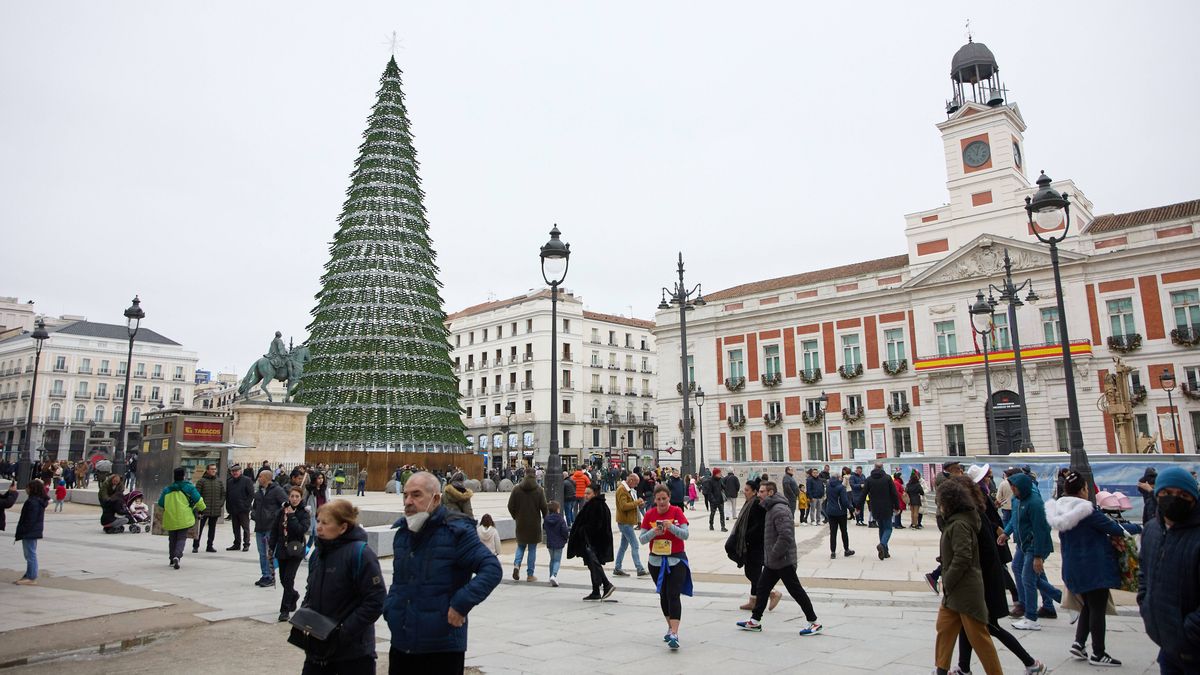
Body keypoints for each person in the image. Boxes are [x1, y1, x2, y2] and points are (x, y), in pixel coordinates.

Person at [384, 472, 500, 673]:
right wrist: (391, 608)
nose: (408, 501)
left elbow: (491, 569)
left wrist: (460, 604)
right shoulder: (402, 534)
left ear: (436, 498)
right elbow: (399, 581)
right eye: (406, 495)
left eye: (416, 495)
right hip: (402, 642)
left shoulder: (456, 532)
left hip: (441, 646)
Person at [1045, 470, 1141, 667]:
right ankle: (1099, 652)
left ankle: (1079, 643)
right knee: (1097, 607)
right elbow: (1116, 529)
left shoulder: (1059, 509)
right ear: (1082, 490)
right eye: (1087, 488)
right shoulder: (1086, 511)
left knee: (1088, 605)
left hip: (1073, 565)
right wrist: (1140, 527)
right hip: (1093, 566)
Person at [953, 475, 1046, 675]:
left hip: (984, 582)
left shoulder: (971, 516)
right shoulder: (975, 511)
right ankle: (964, 667)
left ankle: (1031, 663)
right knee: (966, 624)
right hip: (984, 578)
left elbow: (974, 553)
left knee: (989, 626)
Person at [297, 500, 385, 674]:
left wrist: (343, 632)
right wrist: (306, 615)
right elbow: (311, 589)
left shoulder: (361, 554)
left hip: (352, 654)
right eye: (318, 521)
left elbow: (376, 600)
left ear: (343, 527)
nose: (319, 527)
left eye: (325, 523)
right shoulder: (318, 554)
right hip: (318, 648)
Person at [933, 476, 1002, 675]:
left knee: (979, 637)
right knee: (944, 629)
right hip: (954, 590)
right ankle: (941, 669)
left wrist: (948, 578)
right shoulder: (955, 521)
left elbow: (963, 556)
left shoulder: (960, 524)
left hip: (965, 589)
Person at [736, 481, 822, 636]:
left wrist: (774, 553)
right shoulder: (770, 508)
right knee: (762, 588)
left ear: (770, 493)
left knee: (796, 590)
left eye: (762, 491)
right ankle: (755, 621)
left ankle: (814, 622)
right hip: (774, 560)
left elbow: (785, 536)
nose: (759, 494)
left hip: (783, 559)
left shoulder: (779, 510)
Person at [1137, 466, 1200, 674]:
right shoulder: (1152, 530)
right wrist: (1145, 604)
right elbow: (1144, 572)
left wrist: (1185, 634)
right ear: (1158, 495)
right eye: (1167, 493)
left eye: (1182, 494)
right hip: (1167, 647)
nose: (1174, 499)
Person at [1005, 469, 1060, 631]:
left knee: (1028, 578)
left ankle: (1031, 616)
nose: (1012, 490)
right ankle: (1063, 600)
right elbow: (1015, 519)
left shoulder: (1034, 502)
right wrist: (1007, 533)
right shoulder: (1018, 499)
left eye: (1014, 487)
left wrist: (1037, 555)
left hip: (1033, 546)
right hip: (1024, 544)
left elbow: (1041, 529)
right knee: (1027, 574)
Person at [639, 484, 692, 650]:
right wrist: (654, 532)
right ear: (654, 499)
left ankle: (675, 633)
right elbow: (642, 539)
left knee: (673, 594)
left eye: (664, 498)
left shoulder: (677, 512)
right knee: (663, 594)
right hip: (656, 561)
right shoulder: (649, 514)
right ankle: (670, 627)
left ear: (669, 498)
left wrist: (671, 527)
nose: (661, 502)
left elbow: (685, 534)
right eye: (658, 499)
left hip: (676, 560)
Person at [726, 482, 780, 611]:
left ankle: (773, 593)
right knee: (753, 572)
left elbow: (759, 526)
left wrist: (747, 537)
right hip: (751, 543)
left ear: (754, 491)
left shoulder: (756, 504)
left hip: (755, 544)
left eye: (747, 490)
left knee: (752, 572)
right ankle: (753, 600)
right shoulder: (750, 502)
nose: (744, 492)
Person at [568, 485, 615, 601]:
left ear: (595, 494)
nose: (585, 495)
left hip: (592, 541)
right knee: (593, 565)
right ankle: (596, 591)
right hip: (595, 541)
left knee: (594, 564)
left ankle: (606, 584)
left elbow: (595, 525)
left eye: (588, 493)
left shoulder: (595, 505)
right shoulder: (598, 504)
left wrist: (582, 530)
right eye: (585, 493)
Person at [157, 467, 206, 570]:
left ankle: (171, 559)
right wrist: (202, 509)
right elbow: (198, 500)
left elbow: (161, 503)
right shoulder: (189, 487)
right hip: (184, 518)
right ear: (184, 476)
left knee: (172, 539)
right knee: (181, 538)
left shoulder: (167, 489)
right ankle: (177, 556)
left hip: (170, 517)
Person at [275, 486, 311, 622]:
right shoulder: (282, 511)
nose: (294, 499)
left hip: (296, 551)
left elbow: (300, 530)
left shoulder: (304, 513)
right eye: (292, 496)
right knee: (283, 579)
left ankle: (284, 610)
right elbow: (275, 530)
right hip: (282, 549)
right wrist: (271, 547)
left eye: (297, 496)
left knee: (289, 579)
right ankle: (294, 595)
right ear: (288, 497)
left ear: (301, 498)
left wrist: (292, 516)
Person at [507, 471, 547, 582]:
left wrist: (516, 516)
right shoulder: (539, 490)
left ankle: (516, 565)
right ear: (535, 475)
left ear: (525, 475)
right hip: (534, 523)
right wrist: (545, 520)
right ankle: (530, 575)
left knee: (520, 546)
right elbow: (544, 507)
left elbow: (510, 505)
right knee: (532, 549)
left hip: (521, 522)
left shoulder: (516, 489)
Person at [251, 468, 289, 587]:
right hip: (259, 527)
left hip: (270, 527)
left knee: (269, 553)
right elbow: (255, 506)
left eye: (260, 477)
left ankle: (270, 576)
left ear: (267, 478)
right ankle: (265, 574)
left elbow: (285, 505)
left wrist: (277, 518)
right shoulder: (258, 492)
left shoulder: (277, 490)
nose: (258, 479)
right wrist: (254, 514)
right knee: (262, 553)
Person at [13, 479, 48, 585]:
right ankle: (29, 574)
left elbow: (30, 519)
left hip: (30, 531)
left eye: (27, 487)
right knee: (29, 553)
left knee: (30, 554)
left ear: (32, 489)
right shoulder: (37, 500)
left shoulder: (33, 502)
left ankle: (31, 576)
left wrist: (23, 530)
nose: (26, 489)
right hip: (32, 531)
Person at [614, 473, 647, 577]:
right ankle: (639, 568)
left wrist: (639, 504)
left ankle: (617, 567)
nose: (637, 485)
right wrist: (637, 502)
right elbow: (624, 506)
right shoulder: (622, 490)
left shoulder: (628, 489)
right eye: (636, 483)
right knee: (635, 545)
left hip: (627, 522)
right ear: (631, 480)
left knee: (623, 546)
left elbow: (631, 504)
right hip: (625, 522)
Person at [865, 462, 900, 559]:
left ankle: (885, 551)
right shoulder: (888, 478)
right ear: (882, 468)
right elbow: (894, 493)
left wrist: (858, 506)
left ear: (874, 468)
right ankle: (882, 544)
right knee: (888, 528)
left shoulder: (869, 479)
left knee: (881, 528)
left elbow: (864, 493)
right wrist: (897, 506)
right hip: (887, 507)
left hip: (875, 507)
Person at [192, 463, 225, 553]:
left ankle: (210, 546)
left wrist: (220, 504)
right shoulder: (201, 481)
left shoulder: (219, 482)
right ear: (207, 470)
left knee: (212, 529)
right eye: (211, 469)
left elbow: (223, 494)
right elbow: (197, 495)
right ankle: (195, 546)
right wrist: (199, 507)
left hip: (215, 509)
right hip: (203, 510)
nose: (213, 470)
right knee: (199, 528)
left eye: (215, 469)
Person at [824, 470, 855, 559]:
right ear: (838, 477)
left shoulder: (828, 486)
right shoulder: (841, 487)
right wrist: (851, 508)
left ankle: (833, 552)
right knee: (844, 531)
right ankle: (846, 550)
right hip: (841, 512)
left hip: (830, 511)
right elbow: (844, 501)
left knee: (833, 532)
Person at [225, 464, 254, 552]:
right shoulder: (229, 481)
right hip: (233, 508)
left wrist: (246, 505)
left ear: (240, 471)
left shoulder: (247, 480)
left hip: (243, 509)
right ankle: (236, 544)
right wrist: (228, 507)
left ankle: (246, 544)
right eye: (233, 472)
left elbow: (251, 494)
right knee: (235, 528)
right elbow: (228, 495)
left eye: (236, 471)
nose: (235, 473)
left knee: (245, 527)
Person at [543, 502, 569, 586]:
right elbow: (564, 531)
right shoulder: (560, 519)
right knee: (557, 560)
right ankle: (554, 575)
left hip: (550, 542)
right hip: (559, 542)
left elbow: (544, 527)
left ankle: (550, 576)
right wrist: (566, 538)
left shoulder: (546, 519)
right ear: (557, 509)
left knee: (552, 560)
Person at [305, 472, 329, 552]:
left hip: (323, 515)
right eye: (319, 478)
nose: (321, 480)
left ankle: (305, 552)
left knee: (313, 538)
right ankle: (315, 554)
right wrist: (307, 509)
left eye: (322, 478)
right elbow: (304, 500)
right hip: (313, 515)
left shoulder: (325, 489)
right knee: (315, 537)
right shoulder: (310, 489)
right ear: (315, 479)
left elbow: (328, 500)